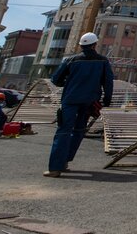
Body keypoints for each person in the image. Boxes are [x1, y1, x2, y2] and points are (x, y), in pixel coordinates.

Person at [44, 32, 113, 178]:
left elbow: (55, 79)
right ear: (95, 45)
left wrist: (68, 83)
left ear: (81, 46)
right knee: (79, 130)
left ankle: (56, 167)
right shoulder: (103, 61)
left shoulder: (71, 60)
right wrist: (106, 100)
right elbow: (108, 82)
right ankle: (66, 160)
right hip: (89, 101)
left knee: (63, 131)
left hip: (70, 100)